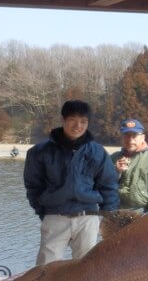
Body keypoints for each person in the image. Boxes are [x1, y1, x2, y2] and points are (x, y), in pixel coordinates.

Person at [24, 100, 119, 265]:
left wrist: (106, 218)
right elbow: (33, 186)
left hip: (88, 218)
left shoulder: (97, 152)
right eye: (73, 120)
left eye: (84, 121)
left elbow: (109, 186)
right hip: (55, 216)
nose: (78, 125)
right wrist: (44, 211)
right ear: (63, 120)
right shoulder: (40, 152)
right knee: (45, 269)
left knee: (87, 269)